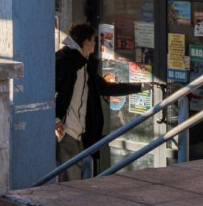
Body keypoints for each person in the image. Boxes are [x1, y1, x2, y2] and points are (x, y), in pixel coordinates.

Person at [54, 22, 152, 182]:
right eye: (93, 39)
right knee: (71, 178)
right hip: (67, 130)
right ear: (85, 41)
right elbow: (49, 90)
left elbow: (105, 88)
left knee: (79, 173)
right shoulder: (65, 61)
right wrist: (55, 119)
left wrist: (141, 86)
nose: (96, 43)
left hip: (81, 132)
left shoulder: (85, 65)